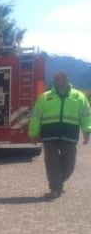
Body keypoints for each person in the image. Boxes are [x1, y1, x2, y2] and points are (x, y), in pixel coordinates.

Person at [29, 71, 90, 199]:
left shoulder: (79, 97)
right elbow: (36, 116)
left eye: (59, 79)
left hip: (70, 136)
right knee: (51, 163)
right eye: (55, 79)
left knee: (70, 164)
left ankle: (58, 182)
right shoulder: (45, 97)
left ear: (67, 80)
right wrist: (33, 133)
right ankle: (54, 188)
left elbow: (85, 115)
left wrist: (87, 131)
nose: (56, 81)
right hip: (49, 136)